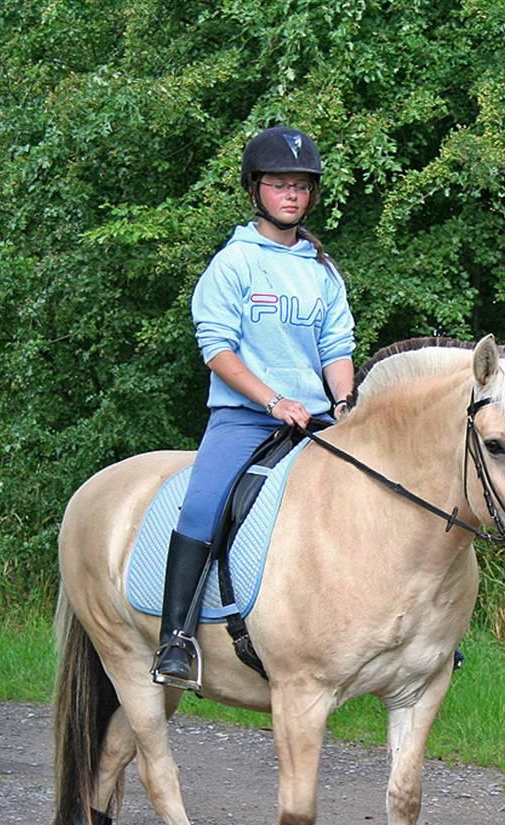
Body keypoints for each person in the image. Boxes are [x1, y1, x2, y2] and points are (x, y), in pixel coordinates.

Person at [152, 125, 356, 690]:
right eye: (279, 184)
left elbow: (336, 347)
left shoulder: (322, 271)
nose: (292, 195)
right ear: (255, 190)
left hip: (315, 418)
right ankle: (177, 639)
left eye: (301, 186)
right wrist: (272, 400)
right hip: (245, 416)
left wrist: (344, 402)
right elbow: (216, 348)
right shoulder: (234, 263)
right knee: (202, 506)